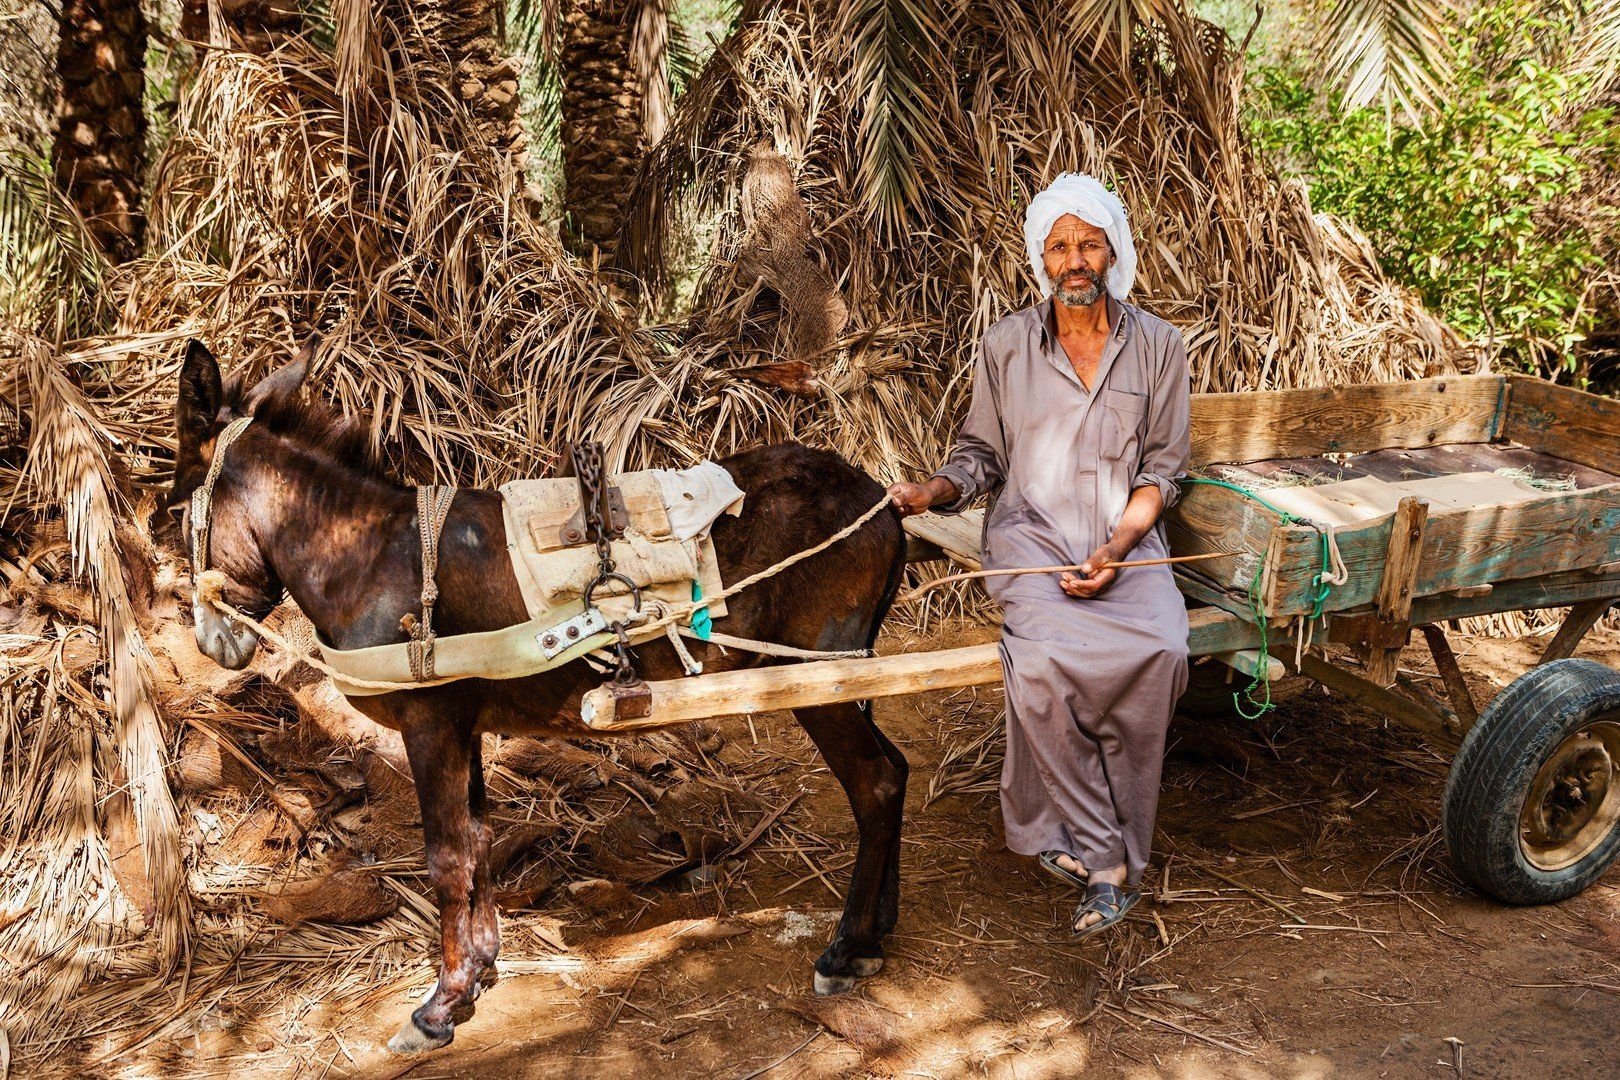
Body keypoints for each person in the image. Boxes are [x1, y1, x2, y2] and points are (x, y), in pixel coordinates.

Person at [888, 173, 1191, 937]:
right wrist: (934, 490)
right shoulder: (1005, 344)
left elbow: (1163, 470)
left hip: (1127, 540)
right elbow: (980, 455)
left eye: (1089, 243)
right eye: (1060, 246)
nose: (1074, 259)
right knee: (1045, 667)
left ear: (1114, 251)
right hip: (1030, 540)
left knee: (1162, 651)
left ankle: (1067, 830)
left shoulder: (1159, 346)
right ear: (1041, 259)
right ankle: (1107, 857)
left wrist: (1120, 548)